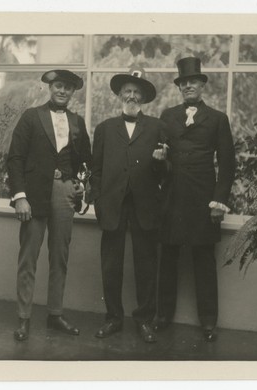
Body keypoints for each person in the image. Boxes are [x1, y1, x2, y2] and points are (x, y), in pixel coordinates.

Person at [154, 57, 236, 342]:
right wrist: (160, 159)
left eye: (193, 82)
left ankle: (209, 321)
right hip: (173, 197)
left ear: (202, 86)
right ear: (179, 87)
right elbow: (159, 159)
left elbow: (227, 165)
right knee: (168, 259)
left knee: (203, 260)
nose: (189, 86)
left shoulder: (217, 119)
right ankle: (163, 316)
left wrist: (218, 202)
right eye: (184, 83)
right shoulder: (167, 116)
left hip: (203, 199)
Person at [7, 69, 92, 341]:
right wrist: (20, 196)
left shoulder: (77, 122)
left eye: (67, 87)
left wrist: (80, 183)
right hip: (33, 195)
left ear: (73, 91)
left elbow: (86, 162)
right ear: (50, 87)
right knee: (29, 257)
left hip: (64, 193)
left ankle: (55, 314)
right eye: (58, 86)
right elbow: (15, 158)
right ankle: (23, 319)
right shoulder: (32, 117)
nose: (62, 91)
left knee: (60, 257)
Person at [90, 67, 167, 343]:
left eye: (137, 92)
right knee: (111, 265)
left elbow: (164, 174)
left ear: (144, 98)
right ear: (119, 95)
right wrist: (97, 200)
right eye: (127, 92)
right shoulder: (105, 129)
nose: (132, 96)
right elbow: (95, 170)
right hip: (112, 206)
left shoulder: (157, 128)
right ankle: (113, 318)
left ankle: (145, 320)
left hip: (146, 206)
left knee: (146, 265)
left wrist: (160, 162)